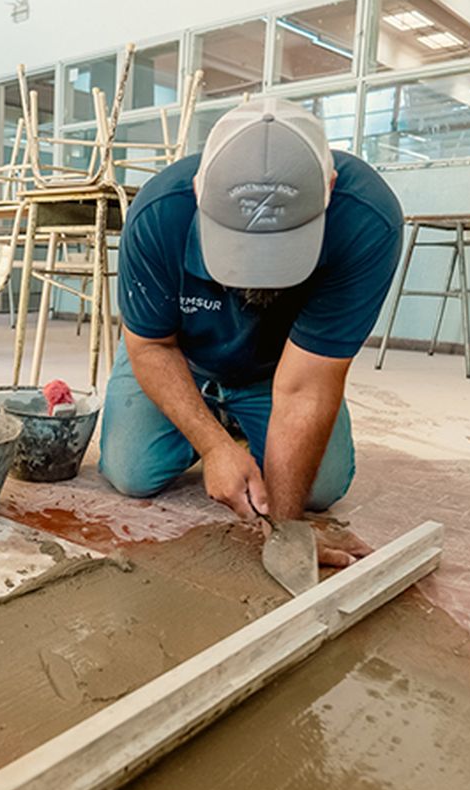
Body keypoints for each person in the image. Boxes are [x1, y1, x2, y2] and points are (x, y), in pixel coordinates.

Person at [98, 98, 402, 566]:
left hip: (278, 370)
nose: (258, 274)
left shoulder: (365, 220)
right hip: (180, 356)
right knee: (131, 472)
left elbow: (305, 388)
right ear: (199, 189)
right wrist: (212, 446)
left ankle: (246, 424)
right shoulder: (159, 213)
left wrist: (285, 530)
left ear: (329, 189)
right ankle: (226, 429)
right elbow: (151, 346)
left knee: (320, 489)